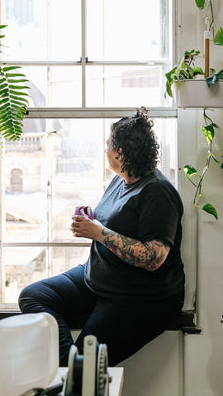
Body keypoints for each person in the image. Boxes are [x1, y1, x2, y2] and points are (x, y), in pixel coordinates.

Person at [19, 107, 185, 367]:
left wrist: (98, 232)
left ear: (121, 153)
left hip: (138, 299)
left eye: (108, 145)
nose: (105, 150)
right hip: (98, 277)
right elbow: (118, 221)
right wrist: (92, 221)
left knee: (81, 369)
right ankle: (69, 366)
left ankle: (72, 370)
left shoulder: (158, 193)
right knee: (33, 296)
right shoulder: (121, 179)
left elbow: (154, 257)